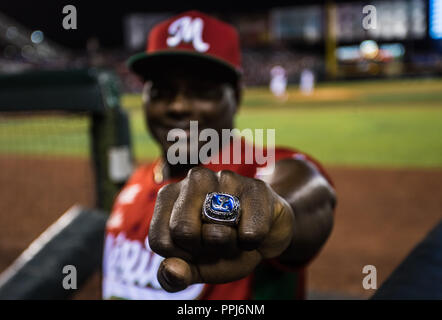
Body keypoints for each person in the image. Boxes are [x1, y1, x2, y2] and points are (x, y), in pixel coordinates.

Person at [102, 10, 336, 300]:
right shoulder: (136, 182)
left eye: (202, 90)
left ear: (236, 97)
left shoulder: (257, 166)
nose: (178, 106)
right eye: (162, 90)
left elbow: (308, 195)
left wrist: (275, 215)